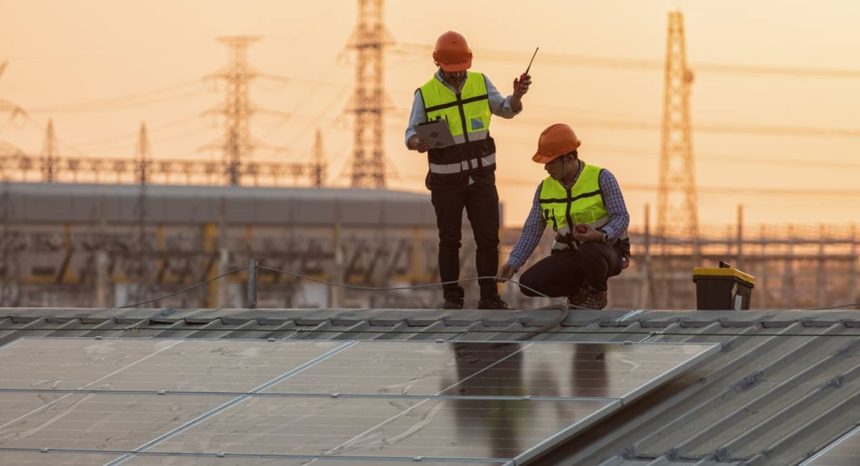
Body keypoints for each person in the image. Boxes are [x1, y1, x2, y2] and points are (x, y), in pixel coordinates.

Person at [405, 31, 531, 310]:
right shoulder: (425, 94)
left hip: (481, 179)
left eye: (461, 70)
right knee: (449, 240)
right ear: (438, 65)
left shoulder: (480, 82)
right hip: (445, 182)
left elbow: (507, 110)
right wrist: (419, 143)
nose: (457, 76)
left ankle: (489, 297)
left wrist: (517, 96)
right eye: (451, 72)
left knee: (488, 238)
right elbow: (409, 135)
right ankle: (452, 298)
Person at [496, 123, 630, 309]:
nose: (546, 168)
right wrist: (513, 263)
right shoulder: (545, 189)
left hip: (607, 251)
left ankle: (596, 292)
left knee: (590, 251)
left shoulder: (602, 178)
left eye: (550, 162)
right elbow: (532, 231)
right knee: (529, 283)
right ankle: (578, 293)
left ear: (569, 158)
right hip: (571, 254)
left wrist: (600, 235)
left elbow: (621, 217)